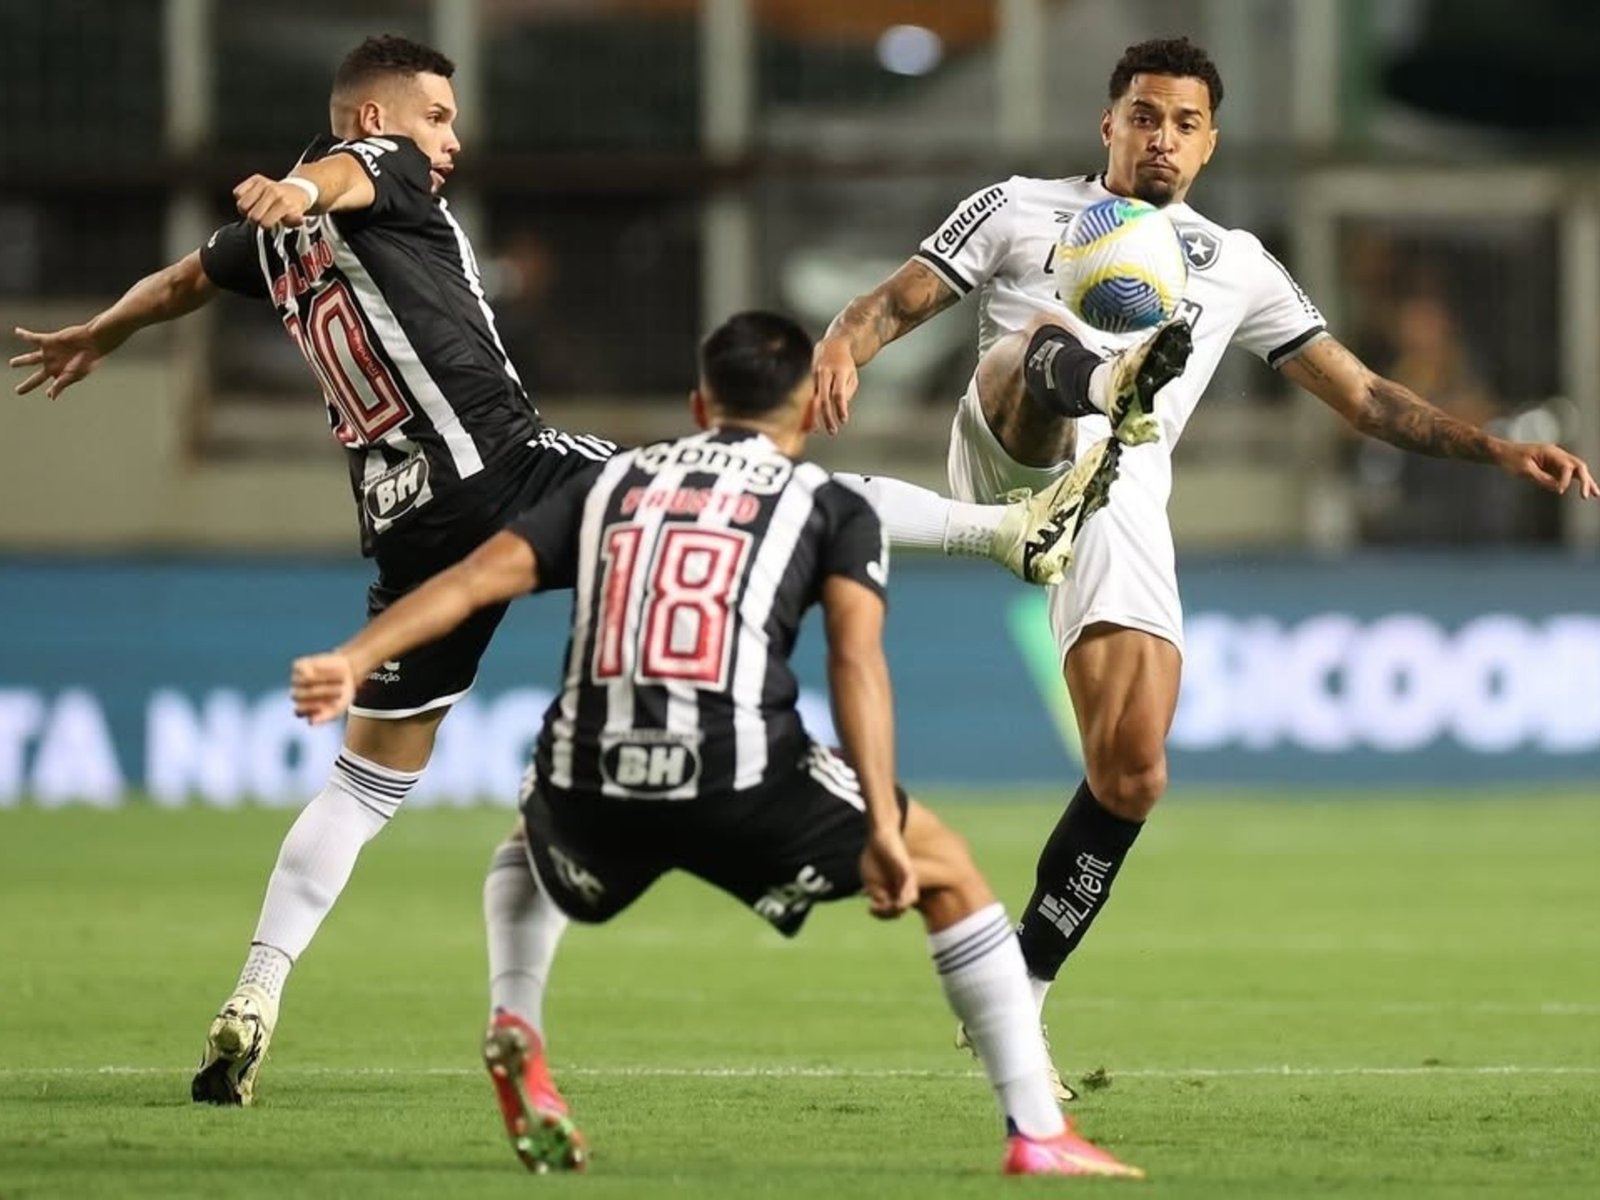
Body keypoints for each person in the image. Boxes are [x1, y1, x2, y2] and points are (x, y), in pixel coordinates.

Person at [7, 36, 1104, 1107]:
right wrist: (305, 190)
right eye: (437, 116)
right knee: (745, 481)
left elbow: (183, 279)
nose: (452, 139)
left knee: (364, 783)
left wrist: (98, 334)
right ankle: (1006, 533)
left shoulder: (275, 243)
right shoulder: (373, 169)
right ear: (378, 116)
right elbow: (343, 176)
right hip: (508, 468)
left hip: (407, 525)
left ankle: (255, 989)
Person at [811, 36, 1599, 1085]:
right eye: (1143, 115)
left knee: (1132, 773)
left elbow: (1363, 395)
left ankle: (1021, 985)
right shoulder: (1017, 208)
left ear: (1210, 143)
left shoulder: (1232, 263)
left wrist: (1493, 445)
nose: (1161, 138)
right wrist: (837, 346)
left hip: (1119, 494)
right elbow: (893, 303)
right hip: (1016, 439)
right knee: (1024, 349)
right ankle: (1102, 386)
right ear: (1108, 125)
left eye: (1183, 123)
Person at [286, 310, 1144, 1178]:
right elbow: (856, 667)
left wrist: (353, 658)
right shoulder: (830, 504)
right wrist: (883, 821)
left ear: (701, 405)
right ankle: (1038, 1132)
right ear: (809, 409)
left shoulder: (608, 484)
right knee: (950, 873)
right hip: (741, 775)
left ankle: (518, 1020)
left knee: (527, 846)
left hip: (591, 773)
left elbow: (474, 578)